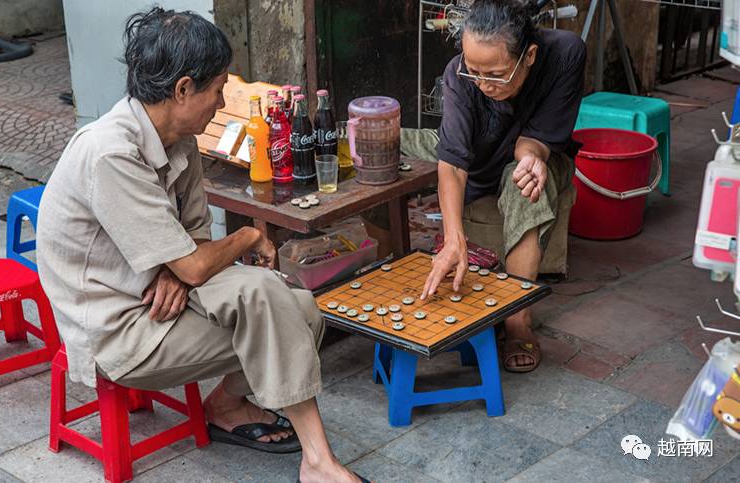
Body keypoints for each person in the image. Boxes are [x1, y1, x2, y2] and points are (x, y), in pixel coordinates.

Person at [36, 8, 367, 483]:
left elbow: (194, 245)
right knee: (271, 299)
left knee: (302, 308)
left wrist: (176, 267)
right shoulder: (111, 152)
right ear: (183, 89)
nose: (222, 100)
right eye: (217, 89)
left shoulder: (179, 140)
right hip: (121, 328)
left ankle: (226, 404)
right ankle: (319, 463)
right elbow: (196, 263)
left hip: (159, 294)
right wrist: (248, 236)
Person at [369, 0, 586, 373]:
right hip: (473, 149)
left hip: (530, 154)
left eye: (496, 74)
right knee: (366, 138)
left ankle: (517, 319)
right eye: (475, 72)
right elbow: (452, 162)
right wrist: (454, 240)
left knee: (526, 184)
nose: (484, 85)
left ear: (529, 56)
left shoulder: (565, 54)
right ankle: (384, 265)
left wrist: (534, 157)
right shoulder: (458, 77)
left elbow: (530, 143)